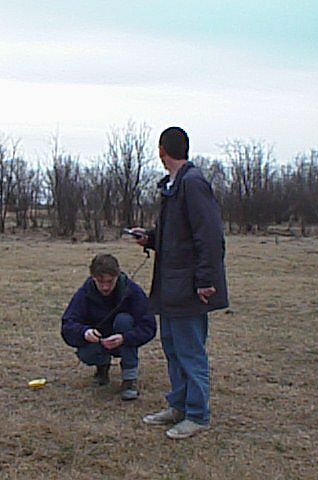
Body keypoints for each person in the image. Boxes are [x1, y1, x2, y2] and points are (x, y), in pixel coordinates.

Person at [130, 126, 228, 438]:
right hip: (170, 287)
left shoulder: (193, 184)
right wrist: (149, 238)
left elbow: (210, 237)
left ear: (162, 150)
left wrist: (206, 281)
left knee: (190, 351)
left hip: (189, 288)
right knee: (172, 348)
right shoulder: (173, 186)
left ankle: (197, 415)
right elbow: (176, 237)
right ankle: (179, 406)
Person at [61, 254, 156, 400]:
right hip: (98, 342)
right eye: (100, 281)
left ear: (117, 276)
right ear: (93, 277)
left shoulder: (132, 291)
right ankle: (102, 367)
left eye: (110, 281)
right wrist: (84, 333)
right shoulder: (85, 292)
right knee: (87, 354)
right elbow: (68, 324)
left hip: (124, 338)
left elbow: (149, 326)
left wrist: (125, 338)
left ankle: (129, 379)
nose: (105, 287)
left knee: (124, 320)